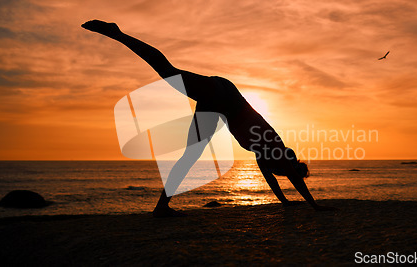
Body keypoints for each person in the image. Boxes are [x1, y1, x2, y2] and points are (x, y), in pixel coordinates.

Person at [82, 20, 337, 217]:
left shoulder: (263, 155)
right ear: (288, 164)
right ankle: (118, 33)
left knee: (189, 155)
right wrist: (314, 206)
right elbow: (292, 177)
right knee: (169, 73)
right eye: (288, 170)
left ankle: (162, 207)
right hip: (222, 96)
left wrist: (286, 203)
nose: (283, 174)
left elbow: (272, 181)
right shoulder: (274, 146)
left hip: (220, 104)